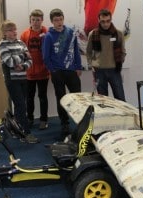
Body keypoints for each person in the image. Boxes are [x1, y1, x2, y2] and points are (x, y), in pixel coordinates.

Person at [42, 8, 83, 139]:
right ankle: (64, 123)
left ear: (63, 19)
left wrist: (78, 66)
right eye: (56, 20)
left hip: (71, 70)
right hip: (57, 72)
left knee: (78, 98)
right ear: (52, 21)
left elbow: (76, 51)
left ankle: (80, 122)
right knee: (61, 99)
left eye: (60, 19)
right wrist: (52, 70)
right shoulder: (48, 36)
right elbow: (46, 56)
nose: (59, 22)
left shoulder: (71, 33)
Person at [0, 20, 38, 143]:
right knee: (21, 105)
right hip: (12, 80)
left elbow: (30, 60)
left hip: (22, 78)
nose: (14, 32)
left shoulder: (21, 43)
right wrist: (23, 55)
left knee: (21, 105)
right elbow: (9, 62)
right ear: (5, 33)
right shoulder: (2, 45)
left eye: (15, 29)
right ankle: (26, 133)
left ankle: (16, 129)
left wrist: (24, 65)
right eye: (11, 30)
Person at [86, 8, 126, 101]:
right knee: (103, 101)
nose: (105, 24)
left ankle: (122, 116)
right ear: (99, 20)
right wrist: (91, 64)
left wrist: (120, 61)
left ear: (111, 19)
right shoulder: (93, 34)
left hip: (114, 70)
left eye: (108, 21)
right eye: (103, 21)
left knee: (120, 98)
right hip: (99, 71)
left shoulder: (118, 34)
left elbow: (123, 51)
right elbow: (88, 52)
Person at [20, 9, 50, 130]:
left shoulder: (47, 32)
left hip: (43, 72)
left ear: (42, 20)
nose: (36, 22)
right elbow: (21, 52)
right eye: (33, 20)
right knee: (29, 97)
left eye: (38, 20)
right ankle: (30, 118)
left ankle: (44, 120)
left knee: (43, 97)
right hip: (29, 73)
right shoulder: (24, 34)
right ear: (30, 20)